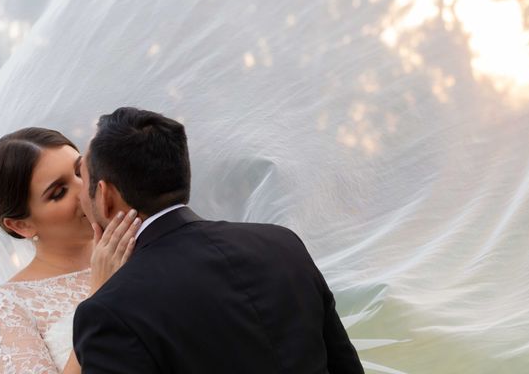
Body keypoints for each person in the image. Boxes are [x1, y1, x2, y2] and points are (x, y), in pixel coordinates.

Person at [74, 106, 364, 373]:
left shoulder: (110, 310)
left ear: (105, 196)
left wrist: (103, 292)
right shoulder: (282, 244)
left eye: (81, 177)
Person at [0, 128, 140, 374]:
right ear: (21, 225)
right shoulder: (4, 307)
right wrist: (99, 300)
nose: (85, 190)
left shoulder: (140, 242)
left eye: (81, 172)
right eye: (59, 192)